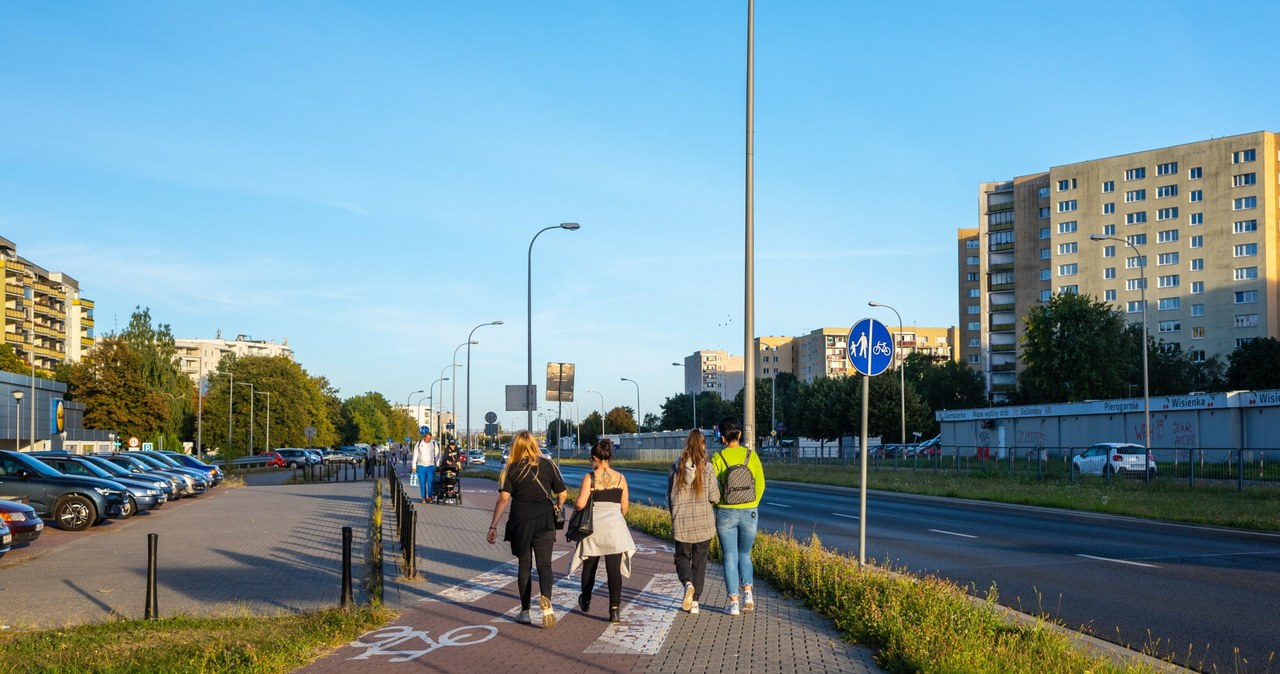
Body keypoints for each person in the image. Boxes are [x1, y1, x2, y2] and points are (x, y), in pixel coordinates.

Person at [487, 430, 566, 628]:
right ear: (534, 444)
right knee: (545, 566)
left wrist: (493, 525)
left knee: (524, 566)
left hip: (520, 521)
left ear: (516, 447)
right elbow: (563, 493)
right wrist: (557, 507)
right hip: (545, 521)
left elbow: (504, 499)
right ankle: (546, 602)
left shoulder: (511, 469)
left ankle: (525, 612)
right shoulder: (548, 465)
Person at [570, 438, 636, 623]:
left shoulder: (590, 478)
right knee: (613, 570)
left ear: (594, 458)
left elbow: (581, 504)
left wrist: (576, 506)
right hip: (615, 528)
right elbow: (625, 507)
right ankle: (614, 609)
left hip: (594, 529)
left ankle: (586, 598)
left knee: (589, 565)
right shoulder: (621, 478)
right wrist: (615, 517)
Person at [710, 416, 765, 616]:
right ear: (740, 434)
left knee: (730, 557)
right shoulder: (752, 456)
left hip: (726, 511)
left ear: (723, 438)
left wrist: (718, 502)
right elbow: (760, 484)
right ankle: (748, 594)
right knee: (745, 554)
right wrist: (753, 503)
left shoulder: (718, 458)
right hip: (750, 511)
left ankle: (734, 603)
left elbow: (711, 485)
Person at [667, 429, 720, 615]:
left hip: (682, 522)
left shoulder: (676, 467)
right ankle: (695, 602)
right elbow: (715, 496)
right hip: (703, 524)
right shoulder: (708, 468)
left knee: (681, 557)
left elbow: (670, 496)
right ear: (703, 445)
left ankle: (687, 583)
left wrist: (673, 516)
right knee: (700, 561)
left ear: (687, 444)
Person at [413, 431, 439, 504]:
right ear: (424, 437)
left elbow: (437, 455)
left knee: (430, 482)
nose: (428, 440)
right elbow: (415, 455)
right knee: (422, 483)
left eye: (430, 438)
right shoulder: (419, 443)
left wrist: (437, 465)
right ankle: (423, 497)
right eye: (427, 438)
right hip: (421, 466)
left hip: (430, 466)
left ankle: (430, 497)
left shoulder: (434, 443)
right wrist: (413, 466)